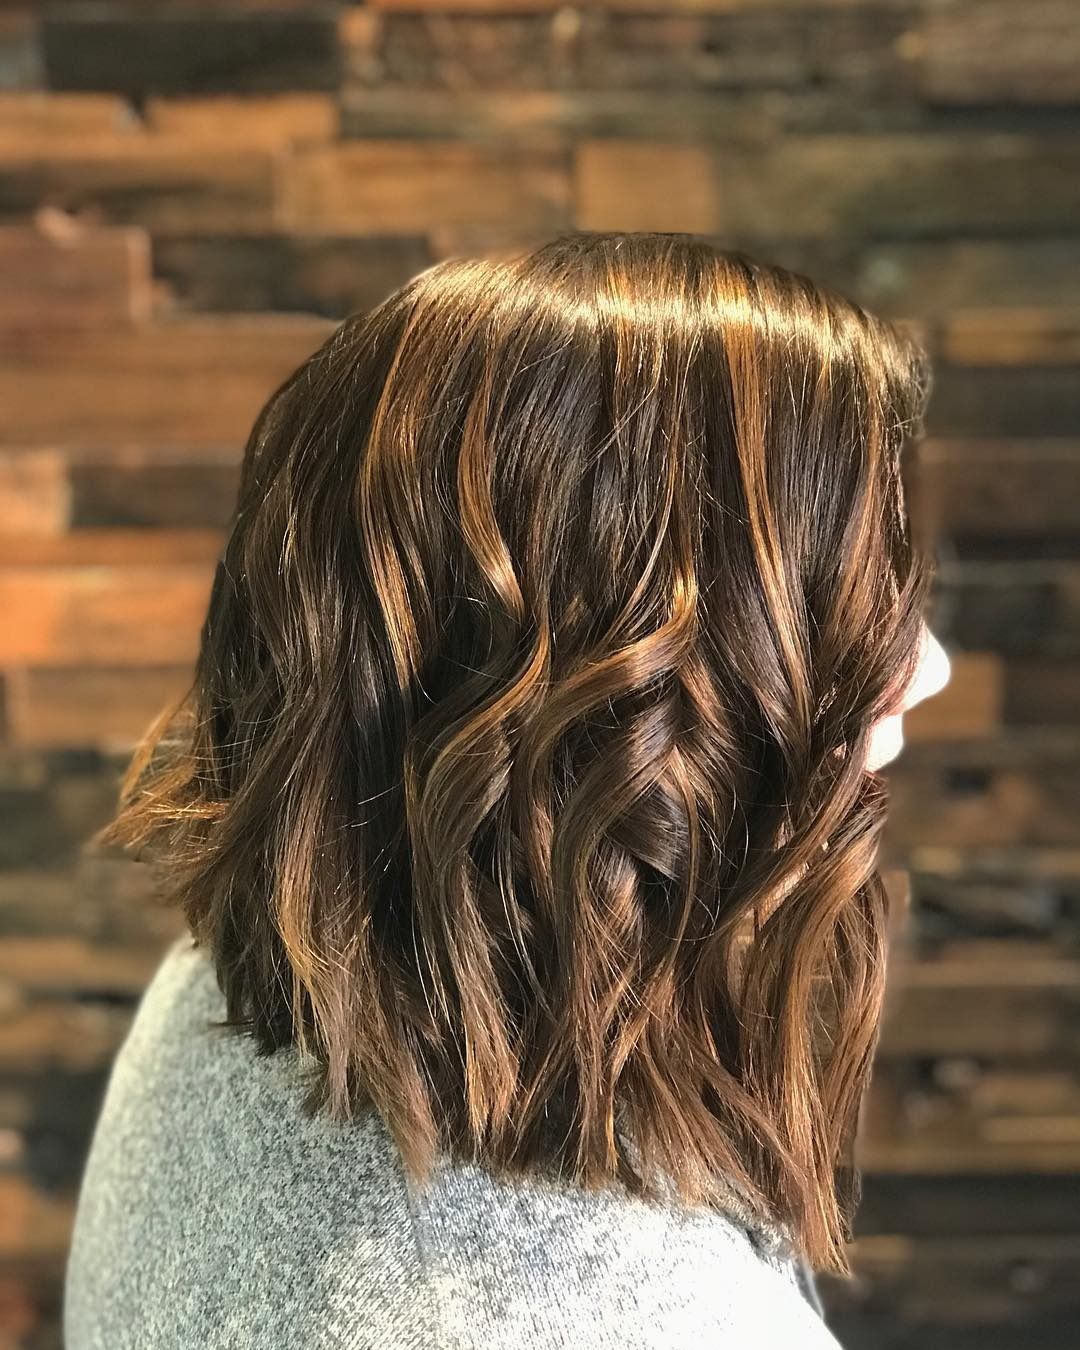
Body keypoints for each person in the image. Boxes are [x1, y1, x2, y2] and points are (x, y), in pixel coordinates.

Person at [64, 231, 949, 1348]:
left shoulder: (237, 995)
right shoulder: (627, 1324)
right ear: (622, 695)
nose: (928, 669)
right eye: (843, 609)